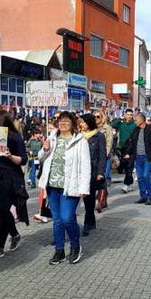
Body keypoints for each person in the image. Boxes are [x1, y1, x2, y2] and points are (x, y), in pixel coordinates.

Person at [38, 112, 91, 264]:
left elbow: (86, 166)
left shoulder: (80, 140)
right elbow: (41, 157)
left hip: (71, 186)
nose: (63, 124)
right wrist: (45, 149)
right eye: (61, 121)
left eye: (67, 121)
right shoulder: (52, 137)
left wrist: (84, 187)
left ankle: (75, 246)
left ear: (73, 123)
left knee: (67, 218)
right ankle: (59, 251)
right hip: (52, 185)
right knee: (57, 220)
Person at [0, 111, 29, 260]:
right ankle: (14, 234)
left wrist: (9, 156)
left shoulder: (14, 137)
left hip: (9, 176)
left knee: (2, 210)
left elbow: (23, 160)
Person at [78, 113, 106, 237]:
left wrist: (100, 172)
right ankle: (91, 220)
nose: (81, 124)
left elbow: (102, 155)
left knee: (89, 198)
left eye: (83, 122)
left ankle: (88, 223)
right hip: (79, 170)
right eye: (80, 122)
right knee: (83, 197)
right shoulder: (78, 136)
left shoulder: (99, 136)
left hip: (93, 171)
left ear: (89, 123)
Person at [125, 113, 151, 205]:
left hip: (147, 157)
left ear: (141, 120)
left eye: (136, 120)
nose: (135, 121)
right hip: (138, 157)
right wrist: (128, 153)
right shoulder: (135, 130)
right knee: (140, 178)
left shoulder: (150, 129)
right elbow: (131, 142)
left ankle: (149, 196)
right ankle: (143, 196)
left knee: (146, 176)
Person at [111, 110, 136, 193]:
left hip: (132, 147)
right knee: (125, 166)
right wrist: (120, 118)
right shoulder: (121, 123)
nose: (129, 116)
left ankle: (126, 184)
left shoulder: (134, 124)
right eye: (128, 114)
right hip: (122, 147)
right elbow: (112, 124)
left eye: (131, 115)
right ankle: (130, 183)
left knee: (129, 166)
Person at [95, 110, 114, 212]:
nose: (96, 119)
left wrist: (104, 155)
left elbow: (109, 142)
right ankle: (104, 196)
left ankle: (100, 200)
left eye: (98, 116)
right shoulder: (91, 128)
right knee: (95, 179)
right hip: (93, 157)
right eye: (94, 117)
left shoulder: (108, 128)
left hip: (104, 157)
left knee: (103, 177)